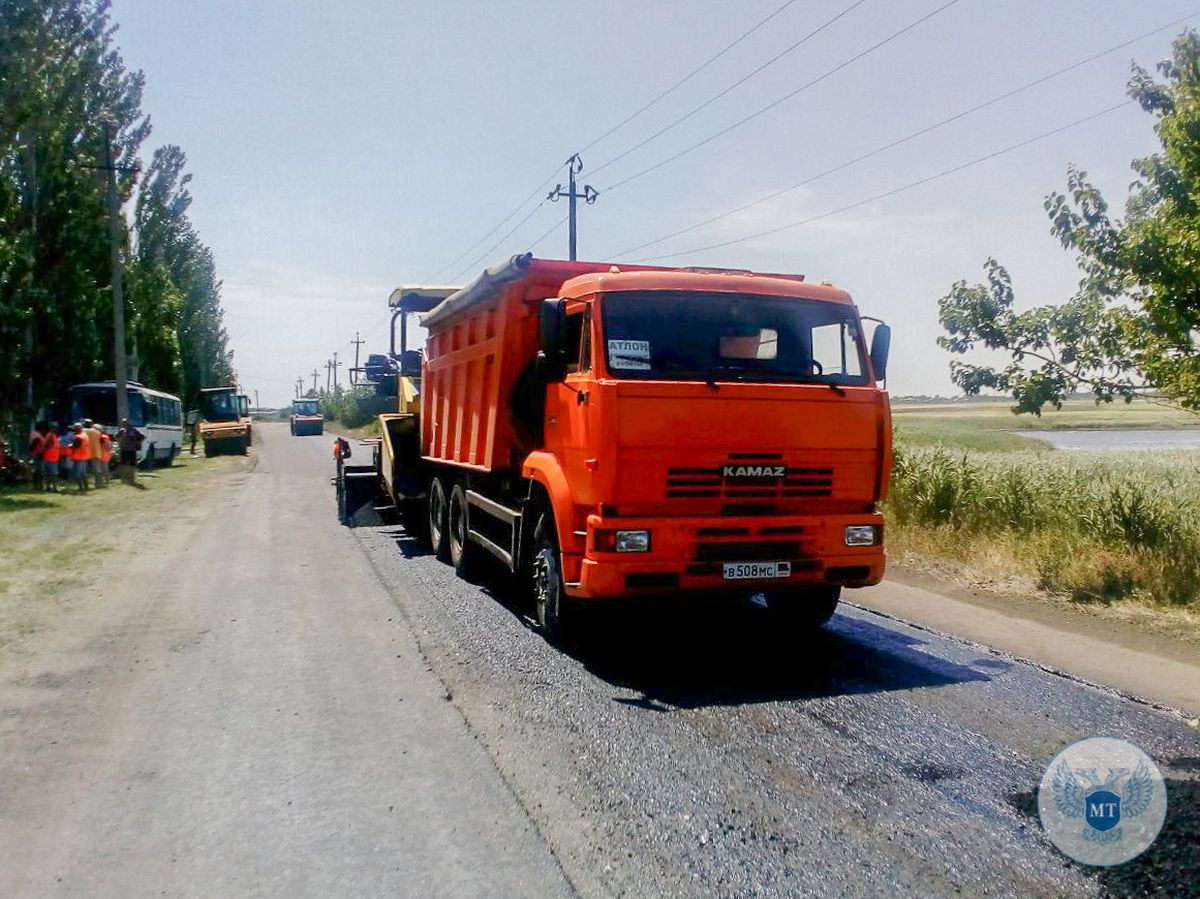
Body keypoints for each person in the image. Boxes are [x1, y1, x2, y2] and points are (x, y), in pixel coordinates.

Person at [116, 418, 145, 487]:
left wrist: (137, 443)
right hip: (124, 450)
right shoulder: (122, 431)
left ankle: (131, 479)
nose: (124, 424)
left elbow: (142, 437)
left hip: (132, 450)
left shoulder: (134, 430)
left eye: (125, 423)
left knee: (132, 465)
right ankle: (124, 480)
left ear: (128, 423)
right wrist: (119, 443)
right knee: (123, 464)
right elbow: (116, 436)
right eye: (123, 423)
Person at [84, 419, 106, 488]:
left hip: (86, 453)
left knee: (85, 470)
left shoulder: (83, 431)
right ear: (92, 424)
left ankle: (86, 485)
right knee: (97, 470)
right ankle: (99, 484)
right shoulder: (98, 432)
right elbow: (102, 441)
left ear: (85, 424)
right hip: (96, 453)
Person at [69, 422, 91, 492]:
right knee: (83, 473)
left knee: (77, 474)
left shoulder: (78, 436)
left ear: (77, 429)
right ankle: (86, 487)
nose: (74, 430)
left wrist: (70, 446)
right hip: (84, 456)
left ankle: (80, 488)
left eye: (75, 428)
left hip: (78, 456)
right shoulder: (84, 434)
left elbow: (76, 446)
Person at [41, 422, 60, 493]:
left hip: (52, 458)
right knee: (53, 474)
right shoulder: (51, 435)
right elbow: (47, 445)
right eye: (55, 428)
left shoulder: (53, 435)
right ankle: (54, 488)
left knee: (49, 474)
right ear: (52, 428)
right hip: (51, 458)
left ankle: (49, 487)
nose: (57, 429)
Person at [28, 422, 46, 491]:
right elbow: (34, 443)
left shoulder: (38, 434)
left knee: (39, 471)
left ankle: (38, 486)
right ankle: (38, 486)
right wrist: (38, 452)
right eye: (43, 428)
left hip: (39, 454)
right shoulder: (36, 434)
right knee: (38, 471)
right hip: (38, 455)